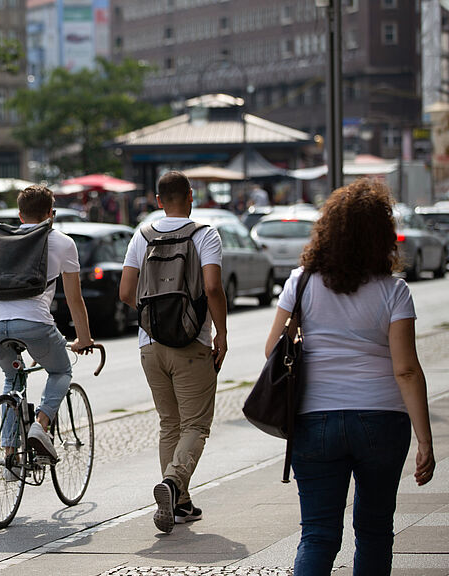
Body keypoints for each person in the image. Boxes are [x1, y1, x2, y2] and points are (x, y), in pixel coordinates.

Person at [264, 178, 435, 575]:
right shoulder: (394, 292)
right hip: (382, 419)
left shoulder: (301, 282)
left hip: (313, 418)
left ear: (329, 229)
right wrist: (425, 440)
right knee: (375, 531)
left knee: (318, 534)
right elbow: (406, 369)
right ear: (382, 235)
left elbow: (274, 349)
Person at [119, 171, 228, 533]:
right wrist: (220, 334)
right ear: (191, 196)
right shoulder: (205, 235)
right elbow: (212, 287)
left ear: (158, 199)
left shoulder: (142, 235)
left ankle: (180, 505)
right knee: (196, 424)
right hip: (191, 343)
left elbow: (125, 293)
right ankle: (173, 484)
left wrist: (156, 317)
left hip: (150, 344)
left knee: (170, 424)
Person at [0, 185, 94, 465]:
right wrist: (84, 339)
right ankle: (39, 427)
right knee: (61, 370)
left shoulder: (4, 240)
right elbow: (74, 299)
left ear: (20, 215)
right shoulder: (64, 243)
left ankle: (9, 456)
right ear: (50, 214)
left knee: (12, 378)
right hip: (34, 324)